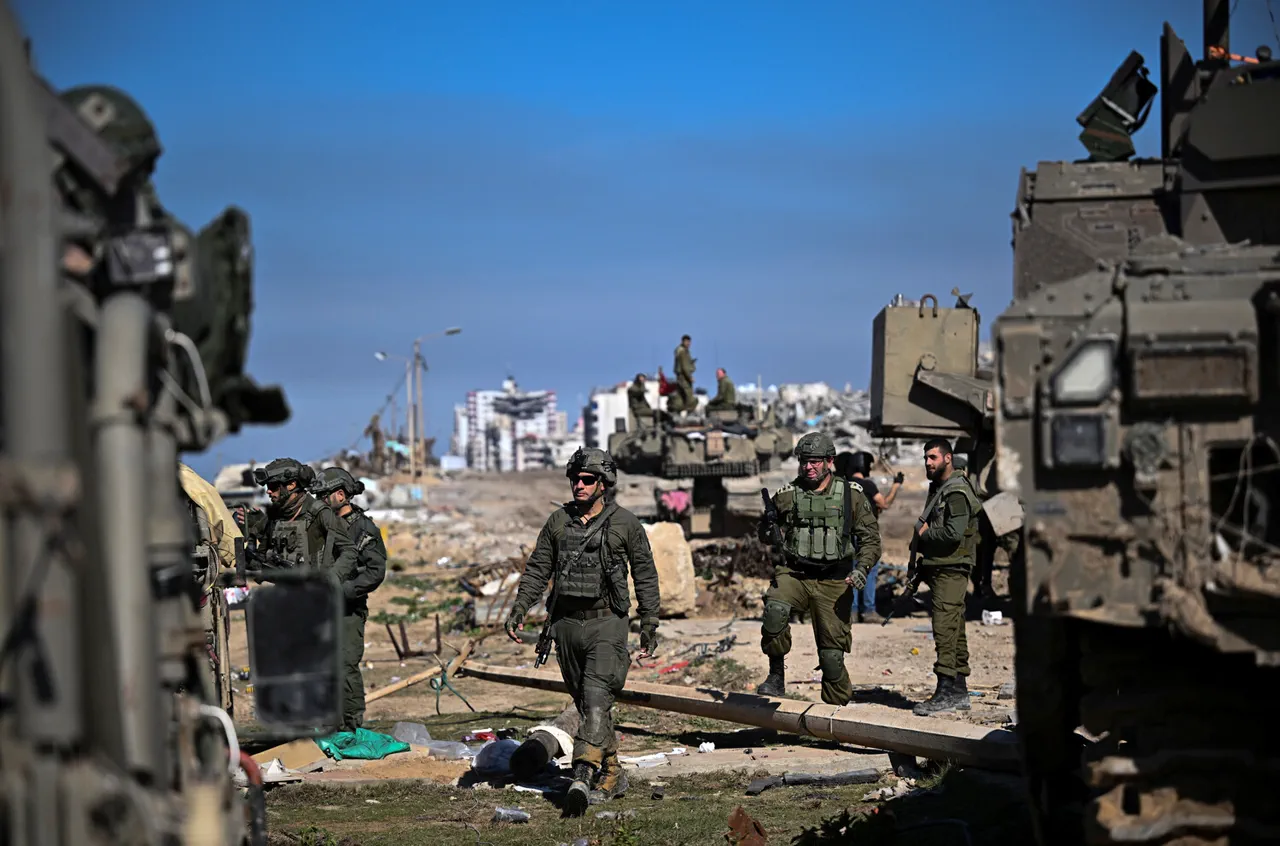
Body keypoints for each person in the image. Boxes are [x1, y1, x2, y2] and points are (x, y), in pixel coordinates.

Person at [504, 448, 661, 815]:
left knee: (595, 696)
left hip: (607, 623)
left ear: (603, 484)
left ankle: (582, 774)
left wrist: (649, 622)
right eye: (574, 479)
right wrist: (520, 607)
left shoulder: (625, 524)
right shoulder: (558, 522)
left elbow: (645, 574)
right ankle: (612, 771)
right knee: (589, 703)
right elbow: (538, 568)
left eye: (587, 479)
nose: (579, 485)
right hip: (566, 625)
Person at [756, 433, 881, 706]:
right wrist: (768, 530)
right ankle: (776, 677)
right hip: (795, 575)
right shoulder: (787, 494)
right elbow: (764, 532)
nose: (808, 467)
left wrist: (862, 569)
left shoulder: (851, 495)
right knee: (775, 612)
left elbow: (871, 540)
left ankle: (837, 713)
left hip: (835, 579)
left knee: (832, 658)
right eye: (804, 461)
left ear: (829, 461)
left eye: (814, 461)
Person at [312, 467, 389, 731]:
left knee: (345, 666)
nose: (320, 501)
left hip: (347, 609)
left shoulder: (363, 528)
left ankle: (351, 725)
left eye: (325, 496)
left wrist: (342, 590)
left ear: (341, 495)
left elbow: (375, 571)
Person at [912, 438, 983, 716]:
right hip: (942, 566)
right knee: (954, 627)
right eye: (925, 458)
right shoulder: (940, 488)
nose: (928, 463)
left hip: (953, 568)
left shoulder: (956, 491)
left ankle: (945, 690)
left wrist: (925, 534)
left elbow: (954, 533)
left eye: (933, 457)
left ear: (948, 458)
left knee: (943, 628)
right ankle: (958, 690)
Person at [235, 457, 358, 583]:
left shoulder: (320, 512)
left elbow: (349, 551)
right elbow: (260, 560)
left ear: (291, 485)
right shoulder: (275, 516)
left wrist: (332, 578)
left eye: (273, 486)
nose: (268, 491)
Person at [833, 451, 904, 623]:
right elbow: (884, 503)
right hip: (867, 534)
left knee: (851, 570)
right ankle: (869, 610)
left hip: (848, 534)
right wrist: (896, 485)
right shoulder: (868, 485)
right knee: (869, 571)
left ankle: (852, 611)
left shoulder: (842, 485)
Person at [669, 335, 696, 414]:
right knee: (689, 394)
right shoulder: (683, 352)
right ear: (683, 342)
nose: (688, 344)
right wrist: (689, 377)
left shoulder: (681, 350)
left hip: (680, 376)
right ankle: (690, 412)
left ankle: (677, 410)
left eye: (689, 342)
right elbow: (685, 367)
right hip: (684, 377)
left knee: (680, 394)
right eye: (686, 342)